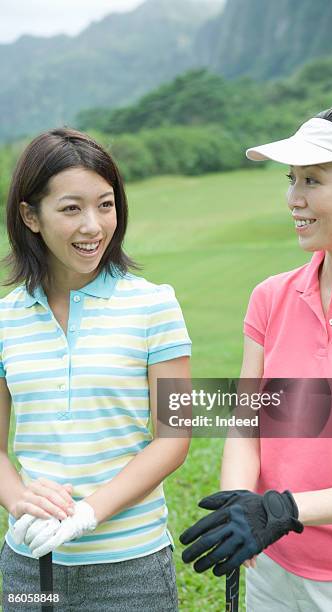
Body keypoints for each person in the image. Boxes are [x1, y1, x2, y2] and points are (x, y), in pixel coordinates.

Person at [180, 104, 332, 611]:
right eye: (291, 180)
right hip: (272, 564)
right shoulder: (270, 297)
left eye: (312, 181)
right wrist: (240, 506)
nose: (293, 199)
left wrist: (282, 509)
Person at [0, 128, 191, 611]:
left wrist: (88, 512)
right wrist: (19, 500)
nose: (93, 226)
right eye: (71, 208)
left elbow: (174, 438)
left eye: (105, 205)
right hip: (28, 568)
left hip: (132, 571)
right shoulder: (4, 318)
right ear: (30, 216)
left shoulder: (154, 305)